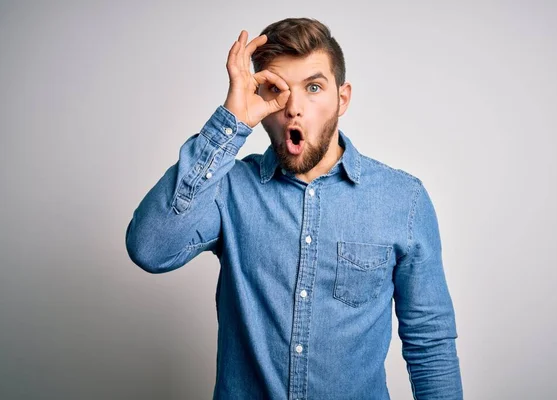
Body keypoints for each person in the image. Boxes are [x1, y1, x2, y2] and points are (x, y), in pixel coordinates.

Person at [125, 17, 463, 400]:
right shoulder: (228, 188)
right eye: (277, 90)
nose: (294, 108)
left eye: (314, 87)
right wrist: (231, 120)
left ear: (343, 98)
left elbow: (430, 343)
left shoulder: (403, 200)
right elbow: (150, 249)